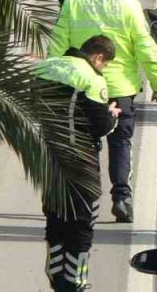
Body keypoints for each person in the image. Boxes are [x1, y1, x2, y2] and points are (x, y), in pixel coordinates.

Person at [48, 0, 157, 223]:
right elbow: (146, 48)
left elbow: (57, 46)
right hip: (120, 89)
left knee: (87, 144)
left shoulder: (73, 4)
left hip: (83, 88)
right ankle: (122, 197)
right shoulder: (130, 5)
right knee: (120, 143)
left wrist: (53, 82)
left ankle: (87, 199)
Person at [33, 35, 119, 292]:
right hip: (80, 159)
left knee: (56, 218)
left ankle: (55, 276)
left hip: (49, 155)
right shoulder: (91, 78)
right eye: (105, 64)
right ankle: (75, 282)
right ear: (98, 56)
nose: (102, 69)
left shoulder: (46, 67)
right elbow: (99, 125)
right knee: (82, 222)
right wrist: (112, 116)